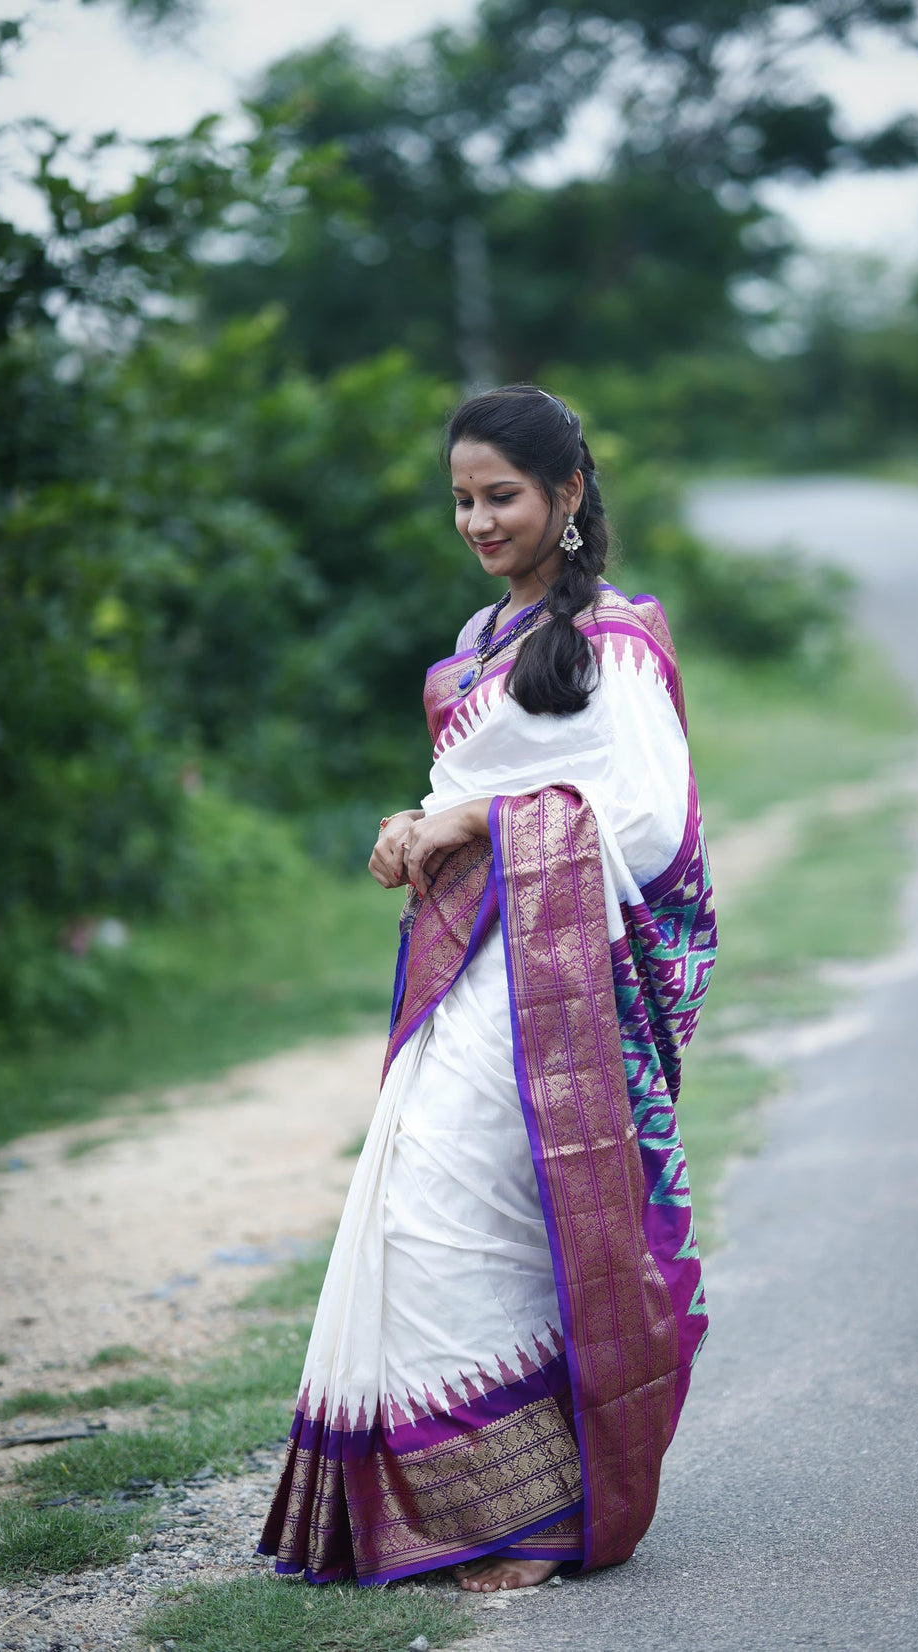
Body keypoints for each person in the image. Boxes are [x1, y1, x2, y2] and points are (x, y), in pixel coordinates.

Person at [258, 384, 718, 1593]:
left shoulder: (614, 638)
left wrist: (474, 814)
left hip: (564, 981)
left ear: (564, 495)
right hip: (466, 966)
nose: (475, 517)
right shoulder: (475, 645)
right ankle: (476, 1494)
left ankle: (529, 1516)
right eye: (461, 497)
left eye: (499, 494)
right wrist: (414, 822)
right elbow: (464, 781)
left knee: (484, 1208)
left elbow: (644, 818)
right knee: (421, 1201)